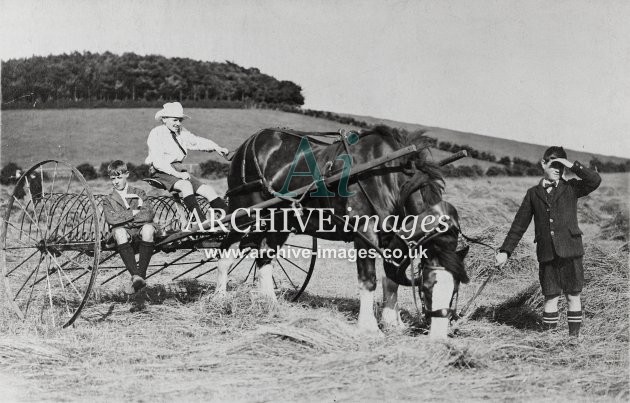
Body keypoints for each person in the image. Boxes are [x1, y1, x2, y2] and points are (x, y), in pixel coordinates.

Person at [495, 146, 601, 337]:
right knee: (550, 296)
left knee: (573, 295)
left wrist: (570, 165)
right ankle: (550, 340)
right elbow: (518, 225)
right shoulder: (533, 193)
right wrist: (505, 251)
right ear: (543, 164)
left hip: (571, 250)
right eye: (554, 165)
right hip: (547, 253)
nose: (558, 170)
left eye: (561, 166)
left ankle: (573, 340)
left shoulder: (572, 188)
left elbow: (594, 180)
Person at [145, 102, 229, 224]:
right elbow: (158, 162)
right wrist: (177, 175)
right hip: (161, 171)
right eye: (175, 120)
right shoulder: (156, 133)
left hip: (178, 171)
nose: (178, 123)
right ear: (164, 119)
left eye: (180, 120)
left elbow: (196, 141)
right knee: (186, 186)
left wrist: (217, 147)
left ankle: (231, 217)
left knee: (208, 190)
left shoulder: (181, 132)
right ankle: (201, 222)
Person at [102, 160, 156, 294]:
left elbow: (148, 214)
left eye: (119, 177)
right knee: (119, 231)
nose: (116, 182)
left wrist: (124, 219)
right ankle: (137, 277)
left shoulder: (139, 193)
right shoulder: (108, 199)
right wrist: (133, 213)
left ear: (127, 174)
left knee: (149, 228)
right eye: (113, 178)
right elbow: (112, 219)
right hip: (123, 232)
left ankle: (138, 277)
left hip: (140, 231)